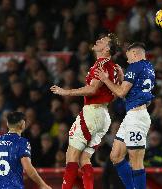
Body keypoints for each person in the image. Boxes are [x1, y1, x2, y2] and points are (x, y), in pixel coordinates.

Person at [50, 33, 120, 189]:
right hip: (103, 115)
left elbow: (93, 89)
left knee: (71, 156)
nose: (98, 40)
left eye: (103, 41)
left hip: (92, 112)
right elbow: (114, 94)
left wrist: (66, 92)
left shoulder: (101, 64)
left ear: (107, 49)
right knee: (84, 158)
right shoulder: (114, 67)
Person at [95, 42, 155, 189]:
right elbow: (131, 93)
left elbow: (121, 92)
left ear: (135, 53)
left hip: (137, 117)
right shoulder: (149, 67)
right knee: (115, 156)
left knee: (136, 161)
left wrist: (105, 79)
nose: (127, 61)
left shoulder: (135, 66)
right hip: (131, 116)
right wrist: (123, 78)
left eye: (128, 57)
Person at [0, 111, 51, 189]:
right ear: (23, 124)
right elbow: (28, 168)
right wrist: (42, 185)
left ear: (7, 124)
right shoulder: (22, 142)